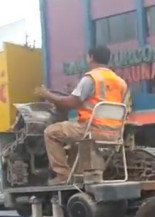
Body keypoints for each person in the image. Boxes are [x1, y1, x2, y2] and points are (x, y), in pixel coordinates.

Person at [34, 46, 130, 185]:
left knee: (50, 132)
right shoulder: (120, 82)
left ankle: (63, 176)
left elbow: (72, 102)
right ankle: (77, 175)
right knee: (74, 140)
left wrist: (48, 96)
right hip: (114, 133)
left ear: (90, 57)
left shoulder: (91, 78)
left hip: (91, 129)